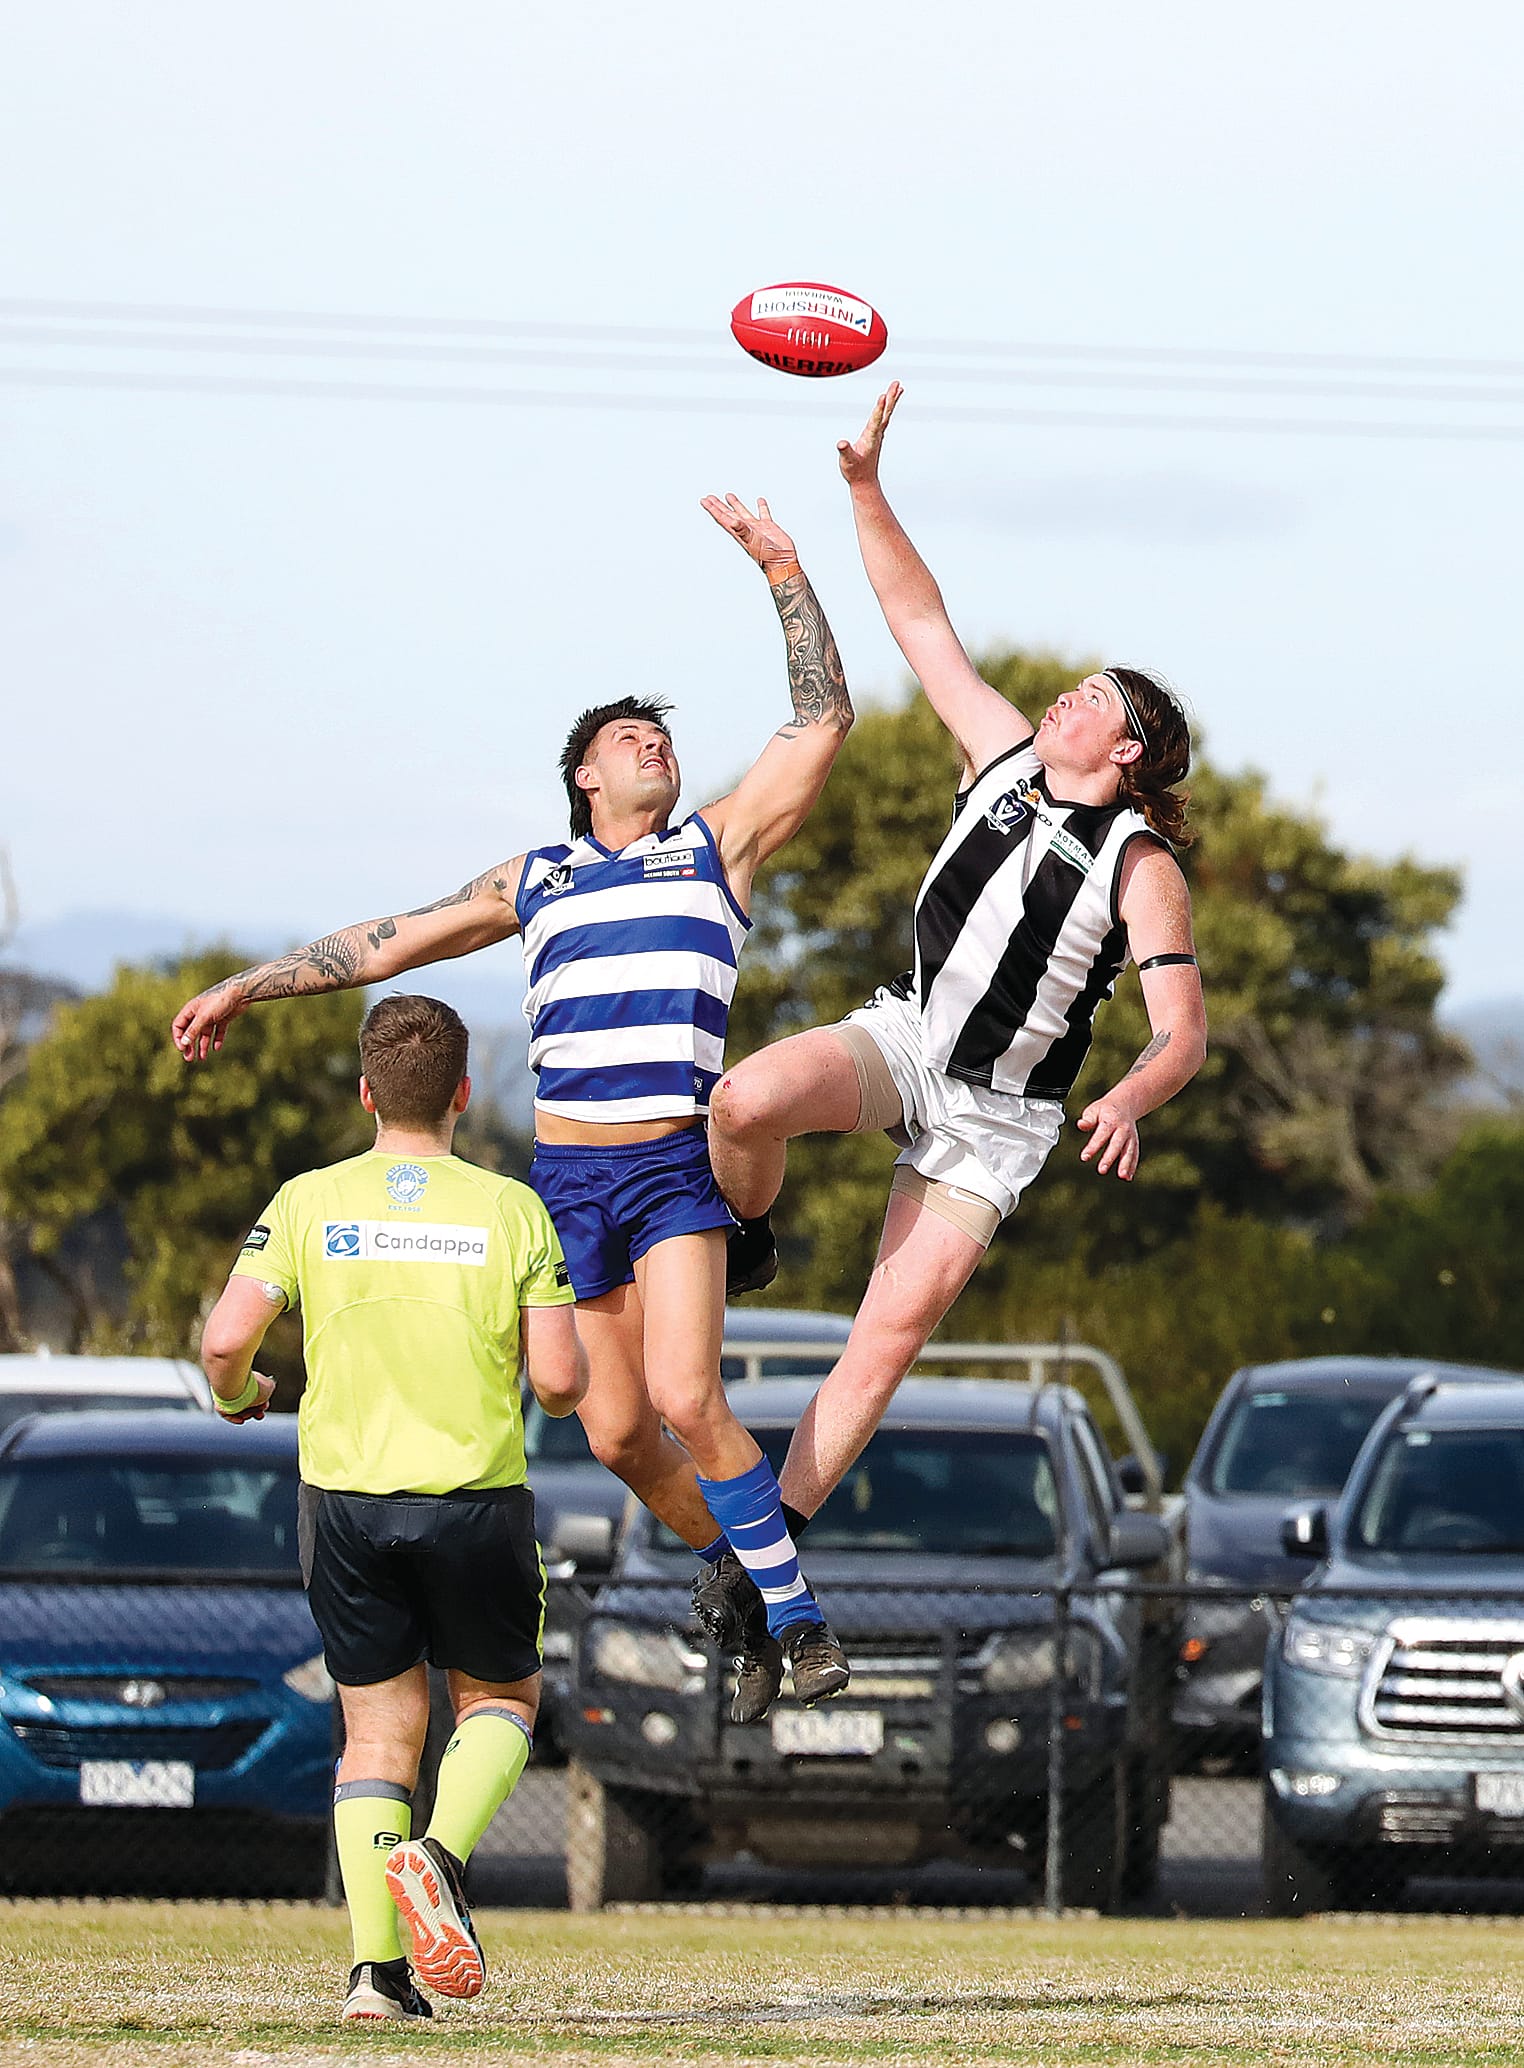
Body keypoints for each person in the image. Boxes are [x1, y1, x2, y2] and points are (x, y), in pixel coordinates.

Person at [174, 493, 856, 1720]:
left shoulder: (716, 847)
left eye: (662, 735)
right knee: (610, 1432)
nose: (653, 743)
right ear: (585, 775)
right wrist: (248, 985)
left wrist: (786, 569)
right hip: (569, 1184)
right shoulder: (534, 876)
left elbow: (822, 720)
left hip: (669, 1170)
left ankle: (799, 1623)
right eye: (630, 736)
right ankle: (743, 1582)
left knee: (690, 1398)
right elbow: (389, 941)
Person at [694, 384, 1209, 1703]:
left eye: (1090, 696)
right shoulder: (999, 757)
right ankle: (751, 1236)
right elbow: (918, 622)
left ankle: (768, 1568)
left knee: (885, 1338)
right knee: (742, 1104)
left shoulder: (1139, 863)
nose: (1060, 697)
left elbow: (1181, 1032)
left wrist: (1135, 1094)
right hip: (911, 1039)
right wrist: (864, 488)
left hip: (999, 1120)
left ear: (1130, 745)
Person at [200, 993, 586, 2022]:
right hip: (472, 1502)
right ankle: (440, 1859)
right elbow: (556, 1382)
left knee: (375, 1737)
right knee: (501, 1703)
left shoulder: (305, 1200)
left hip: (346, 1503)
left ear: (367, 1092)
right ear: (462, 1093)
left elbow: (221, 1346)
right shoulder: (513, 1210)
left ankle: (378, 1976)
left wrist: (241, 1397)